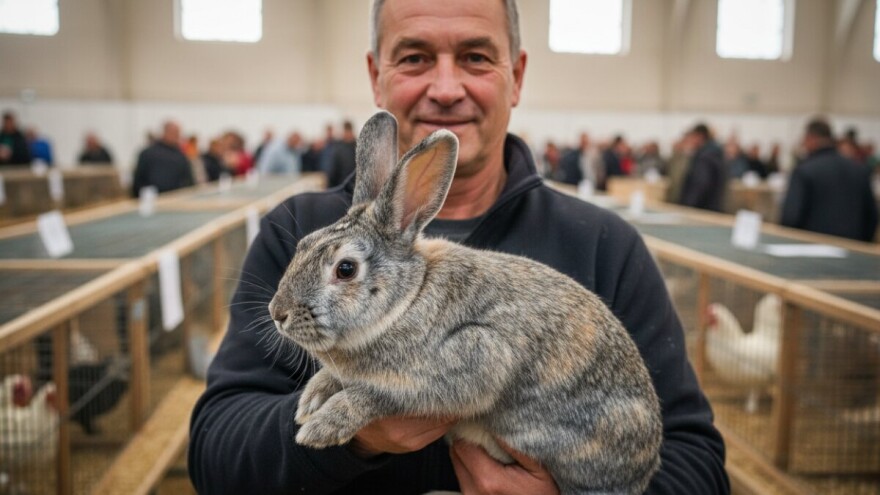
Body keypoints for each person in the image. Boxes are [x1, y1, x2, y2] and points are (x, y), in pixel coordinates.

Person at [189, 0, 729, 493]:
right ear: (377, 76)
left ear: (515, 77)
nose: (446, 89)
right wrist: (358, 433)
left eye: (474, 57)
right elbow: (217, 451)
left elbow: (692, 459)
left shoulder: (604, 246)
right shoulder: (300, 231)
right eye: (415, 58)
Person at [780, 118, 878, 242]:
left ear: (811, 138)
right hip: (853, 248)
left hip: (811, 248)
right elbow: (871, 217)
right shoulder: (859, 170)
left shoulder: (805, 171)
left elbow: (791, 218)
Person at [131, 120, 194, 197]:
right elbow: (139, 181)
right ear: (165, 132)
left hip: (176, 199)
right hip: (153, 200)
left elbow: (188, 180)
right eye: (174, 133)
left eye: (177, 133)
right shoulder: (147, 154)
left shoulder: (180, 156)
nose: (177, 136)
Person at [679, 123, 726, 211]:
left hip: (702, 209)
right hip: (711, 207)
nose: (690, 140)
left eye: (693, 137)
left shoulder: (705, 157)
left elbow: (701, 184)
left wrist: (688, 206)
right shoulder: (713, 154)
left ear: (700, 137)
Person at [323, 120, 357, 188]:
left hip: (354, 185)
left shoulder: (357, 146)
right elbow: (333, 171)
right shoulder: (337, 147)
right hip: (341, 185)